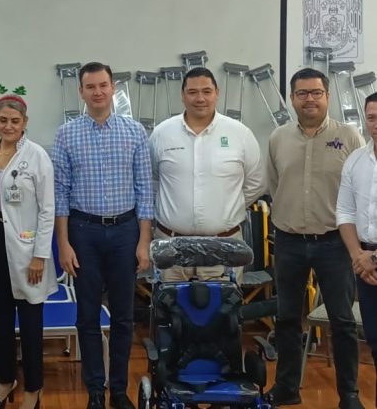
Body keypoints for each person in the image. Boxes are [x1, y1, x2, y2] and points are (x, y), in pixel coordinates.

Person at [53, 62, 154, 409]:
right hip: (84, 233)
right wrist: (63, 244)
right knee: (88, 316)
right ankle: (95, 391)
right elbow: (60, 194)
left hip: (126, 231)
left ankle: (118, 391)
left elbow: (145, 192)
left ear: (113, 89)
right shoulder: (66, 134)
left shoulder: (134, 132)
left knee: (124, 317)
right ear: (81, 91)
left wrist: (144, 242)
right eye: (90, 86)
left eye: (103, 85)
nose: (97, 92)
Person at [267, 67, 363, 409]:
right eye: (302, 93)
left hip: (335, 243)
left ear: (327, 96)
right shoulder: (278, 138)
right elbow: (273, 185)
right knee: (288, 318)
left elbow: (360, 189)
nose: (309, 99)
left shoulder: (350, 137)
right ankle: (286, 388)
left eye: (316, 92)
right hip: (289, 241)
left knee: (342, 320)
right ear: (292, 98)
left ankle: (349, 394)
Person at [0, 95, 58, 409]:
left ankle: (34, 388)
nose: (8, 126)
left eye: (15, 121)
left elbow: (47, 210)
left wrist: (40, 255)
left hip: (26, 246)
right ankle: (6, 381)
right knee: (1, 316)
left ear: (24, 123)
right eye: (3, 120)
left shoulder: (37, 157)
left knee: (30, 318)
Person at [148, 67, 265, 282]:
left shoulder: (240, 134)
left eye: (206, 91)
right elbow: (154, 181)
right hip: (171, 248)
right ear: (183, 95)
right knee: (172, 314)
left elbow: (256, 183)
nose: (200, 98)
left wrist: (225, 210)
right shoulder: (162, 134)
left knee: (222, 314)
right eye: (192, 92)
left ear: (217, 93)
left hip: (224, 248)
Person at [337, 91, 377, 401]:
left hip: (371, 260)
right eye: (372, 117)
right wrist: (358, 257)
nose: (376, 124)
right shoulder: (356, 160)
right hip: (364, 264)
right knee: (375, 339)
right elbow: (345, 213)